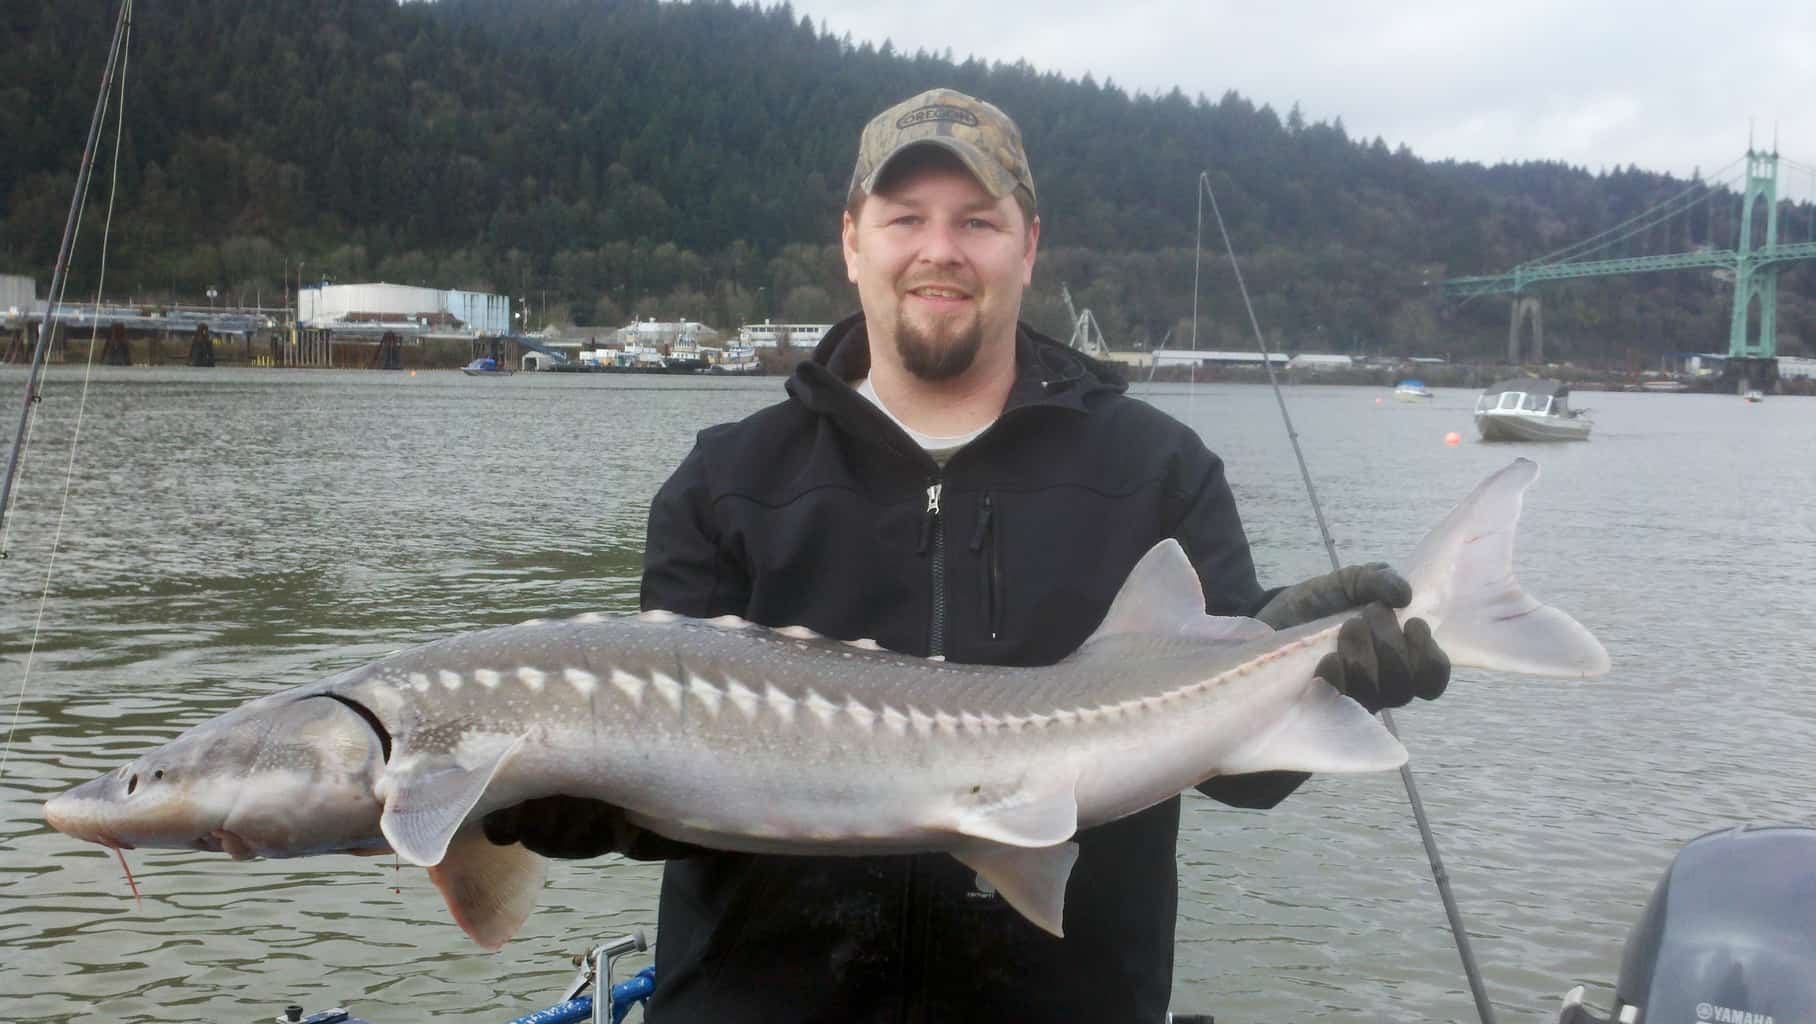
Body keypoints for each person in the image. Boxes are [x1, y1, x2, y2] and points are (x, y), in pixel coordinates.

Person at [484, 88, 1450, 1022]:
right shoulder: (728, 480)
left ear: (1028, 248)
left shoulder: (1155, 468)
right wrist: (570, 794)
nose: (939, 251)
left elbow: (1238, 775)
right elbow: (668, 802)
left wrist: (1299, 674)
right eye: (905, 218)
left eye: (977, 222)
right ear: (851, 239)